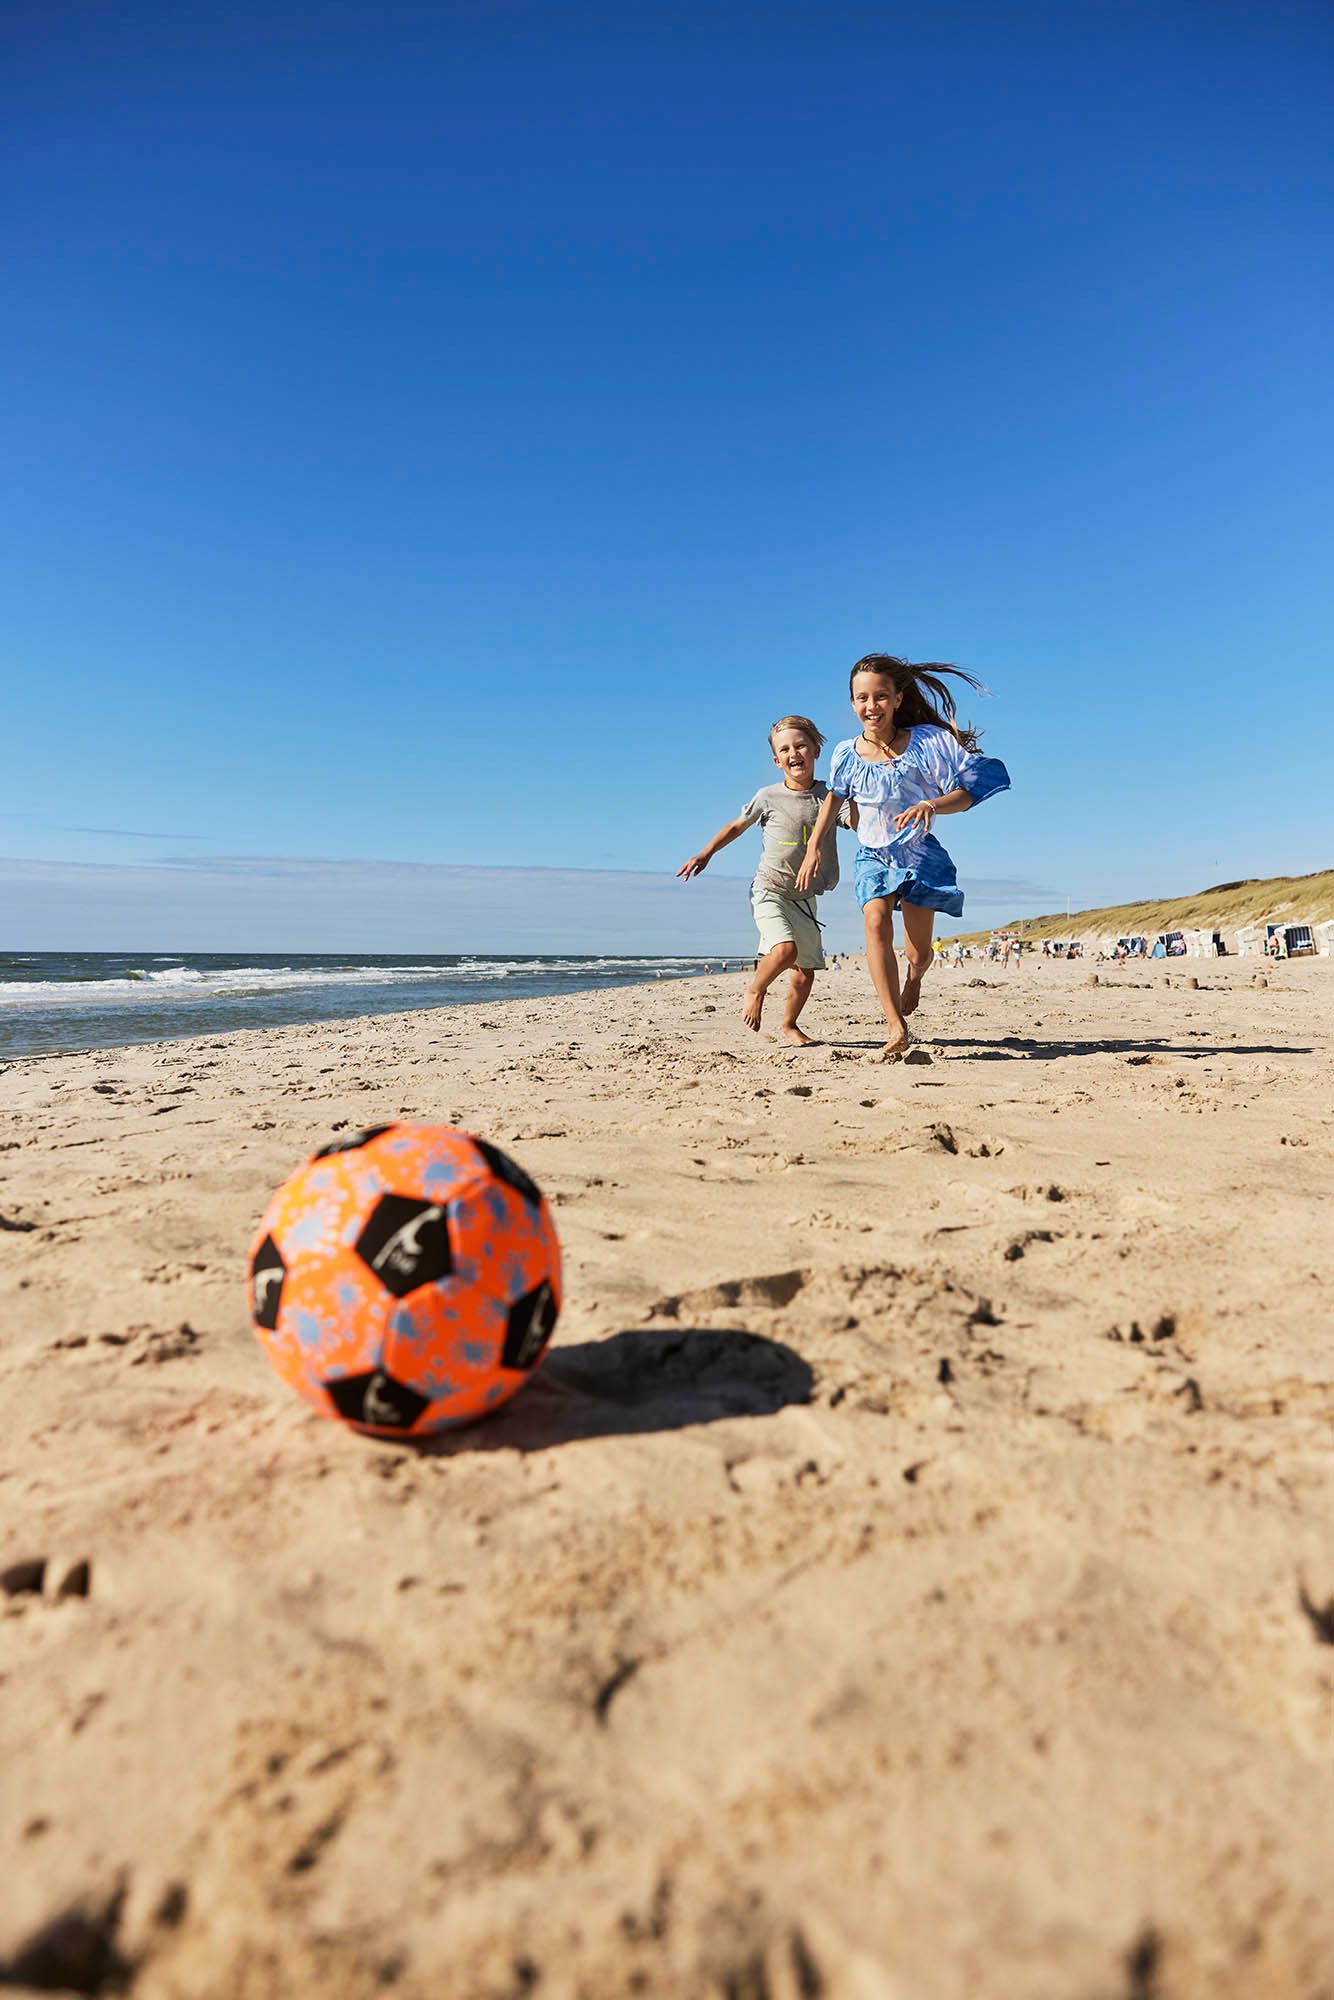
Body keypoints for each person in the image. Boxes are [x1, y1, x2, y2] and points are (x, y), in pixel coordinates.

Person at [796, 653, 1010, 1059]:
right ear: (852, 703)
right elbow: (832, 802)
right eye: (862, 698)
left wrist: (932, 805)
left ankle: (915, 976)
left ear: (897, 699)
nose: (871, 706)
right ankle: (896, 1026)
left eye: (880, 696)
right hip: (872, 855)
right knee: (875, 921)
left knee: (919, 952)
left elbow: (969, 791)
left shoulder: (929, 742)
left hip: (919, 856)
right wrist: (813, 849)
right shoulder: (845, 754)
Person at [678, 715, 854, 1045]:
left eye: (800, 746)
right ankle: (755, 989)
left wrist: (857, 792)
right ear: (776, 761)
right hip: (769, 889)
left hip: (804, 898)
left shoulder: (829, 796)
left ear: (816, 750)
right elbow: (736, 826)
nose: (793, 753)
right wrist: (706, 853)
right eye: (784, 749)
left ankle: (789, 1024)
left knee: (804, 974)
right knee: (785, 951)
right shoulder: (768, 796)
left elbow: (855, 821)